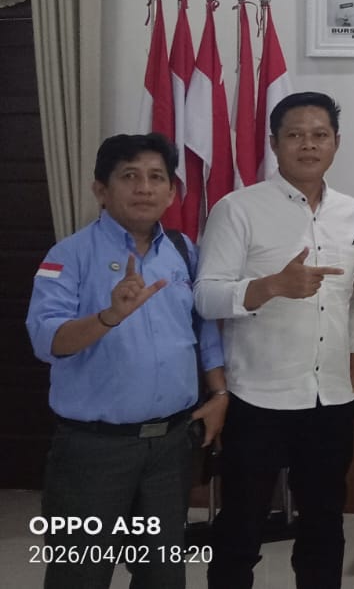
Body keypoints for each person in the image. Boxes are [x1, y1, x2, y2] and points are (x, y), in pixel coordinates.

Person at [25, 133, 228, 589]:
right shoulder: (68, 255)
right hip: (94, 452)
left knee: (162, 576)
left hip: (170, 448)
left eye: (157, 177)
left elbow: (204, 330)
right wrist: (109, 316)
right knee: (79, 575)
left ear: (171, 192)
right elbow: (46, 340)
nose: (144, 188)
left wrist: (219, 393)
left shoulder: (183, 251)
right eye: (130, 176)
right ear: (101, 189)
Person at [195, 91, 354, 589]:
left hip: (331, 398)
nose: (308, 145)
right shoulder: (238, 209)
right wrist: (271, 286)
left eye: (319, 135)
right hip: (259, 398)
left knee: (324, 525)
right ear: (274, 143)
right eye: (295, 135)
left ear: (336, 142)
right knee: (241, 527)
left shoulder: (353, 212)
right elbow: (205, 297)